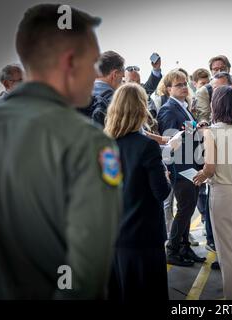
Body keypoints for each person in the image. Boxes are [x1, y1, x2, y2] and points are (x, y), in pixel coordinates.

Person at [0, 4, 121, 299]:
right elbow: (86, 275)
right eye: (92, 64)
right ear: (70, 62)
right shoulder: (87, 142)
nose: (95, 76)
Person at [104, 83, 170, 301]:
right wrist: (166, 176)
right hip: (144, 237)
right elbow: (161, 192)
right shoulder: (146, 146)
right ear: (141, 109)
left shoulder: (105, 145)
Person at [193, 86, 232, 299]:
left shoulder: (212, 132)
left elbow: (210, 167)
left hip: (222, 194)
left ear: (216, 104)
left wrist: (200, 176)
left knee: (227, 253)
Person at [157, 70, 206, 266]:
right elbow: (170, 140)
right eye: (179, 84)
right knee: (185, 209)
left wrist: (197, 125)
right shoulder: (168, 109)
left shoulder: (183, 106)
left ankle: (185, 247)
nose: (184, 87)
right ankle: (173, 249)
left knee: (189, 207)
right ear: (168, 89)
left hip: (191, 165)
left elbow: (186, 131)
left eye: (185, 83)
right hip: (180, 167)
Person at [88, 50, 125, 125]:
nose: (123, 77)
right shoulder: (118, 101)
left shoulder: (80, 96)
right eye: (122, 75)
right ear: (114, 74)